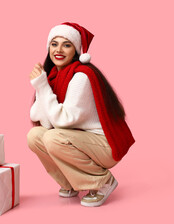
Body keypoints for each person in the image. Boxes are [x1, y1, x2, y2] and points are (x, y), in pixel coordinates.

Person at [27, 22, 135, 207]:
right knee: (34, 136)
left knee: (53, 137)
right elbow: (42, 120)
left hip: (104, 145)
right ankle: (69, 183)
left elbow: (62, 121)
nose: (58, 50)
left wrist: (42, 86)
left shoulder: (81, 77)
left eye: (66, 45)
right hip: (79, 140)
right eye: (54, 44)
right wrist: (40, 86)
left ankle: (102, 182)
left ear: (76, 50)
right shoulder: (53, 76)